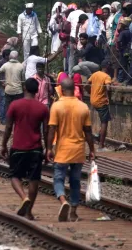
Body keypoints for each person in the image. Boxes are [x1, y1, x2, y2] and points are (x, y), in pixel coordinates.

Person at [47, 76, 95, 222]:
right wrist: (92, 149)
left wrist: (48, 148)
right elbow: (88, 131)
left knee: (58, 179)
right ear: (74, 89)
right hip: (78, 151)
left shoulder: (56, 106)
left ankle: (63, 201)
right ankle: (73, 212)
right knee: (75, 181)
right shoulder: (83, 106)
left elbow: (52, 130)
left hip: (63, 150)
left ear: (61, 89)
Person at [1, 78, 49, 220]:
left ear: (25, 88)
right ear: (36, 91)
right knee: (34, 179)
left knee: (15, 176)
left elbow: (8, 127)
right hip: (36, 148)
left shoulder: (15, 105)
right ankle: (29, 212)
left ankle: (23, 197)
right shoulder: (43, 108)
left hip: (18, 147)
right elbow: (46, 131)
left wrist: (4, 144)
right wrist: (48, 148)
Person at [87, 62, 116, 151]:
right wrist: (109, 98)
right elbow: (108, 88)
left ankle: (98, 137)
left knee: (102, 120)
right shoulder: (107, 77)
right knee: (105, 122)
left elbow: (87, 84)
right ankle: (101, 146)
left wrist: (90, 92)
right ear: (107, 68)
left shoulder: (95, 74)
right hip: (101, 102)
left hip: (93, 101)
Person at [0, 50, 25, 125]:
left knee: (8, 107)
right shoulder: (21, 66)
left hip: (8, 90)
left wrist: (3, 82)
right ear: (17, 57)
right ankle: (17, 123)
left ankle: (8, 122)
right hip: (18, 91)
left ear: (10, 57)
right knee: (18, 108)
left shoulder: (6, 65)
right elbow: (23, 80)